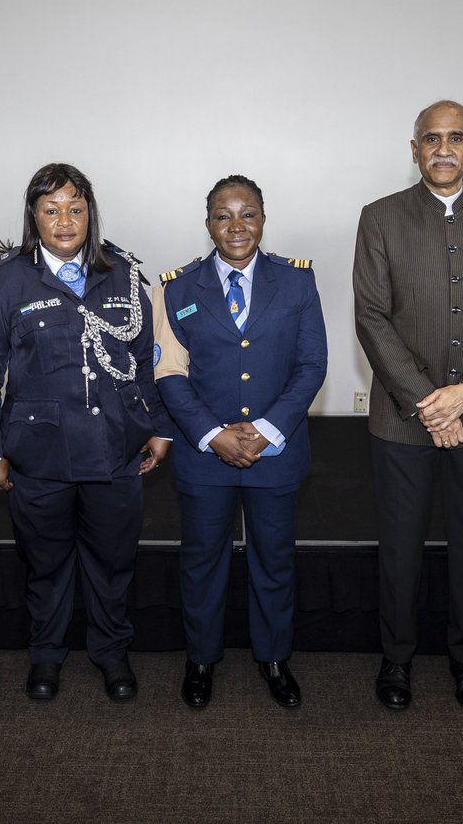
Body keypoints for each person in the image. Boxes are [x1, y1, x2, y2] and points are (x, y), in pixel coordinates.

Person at [0, 163, 171, 702]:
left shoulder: (124, 275)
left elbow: (143, 362)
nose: (64, 221)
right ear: (33, 216)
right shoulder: (6, 281)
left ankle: (111, 653)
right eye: (51, 209)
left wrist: (158, 427)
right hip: (39, 455)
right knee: (46, 565)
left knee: (113, 563)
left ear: (90, 214)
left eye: (75, 209)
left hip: (115, 450)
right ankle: (47, 655)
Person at [353, 100, 463, 713]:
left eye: (456, 138)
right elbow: (372, 318)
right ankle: (396, 658)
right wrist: (428, 402)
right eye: (431, 138)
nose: (443, 148)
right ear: (415, 149)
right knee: (400, 546)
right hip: (401, 419)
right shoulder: (380, 218)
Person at [154, 174, 327, 708]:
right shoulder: (176, 288)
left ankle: (273, 658)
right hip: (205, 456)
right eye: (223, 216)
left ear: (263, 220)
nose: (236, 226)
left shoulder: (296, 282)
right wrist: (213, 435)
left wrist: (267, 430)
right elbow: (170, 374)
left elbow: (311, 365)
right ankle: (201, 659)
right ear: (207, 224)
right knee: (202, 562)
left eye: (247, 214)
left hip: (276, 453)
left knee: (273, 560)